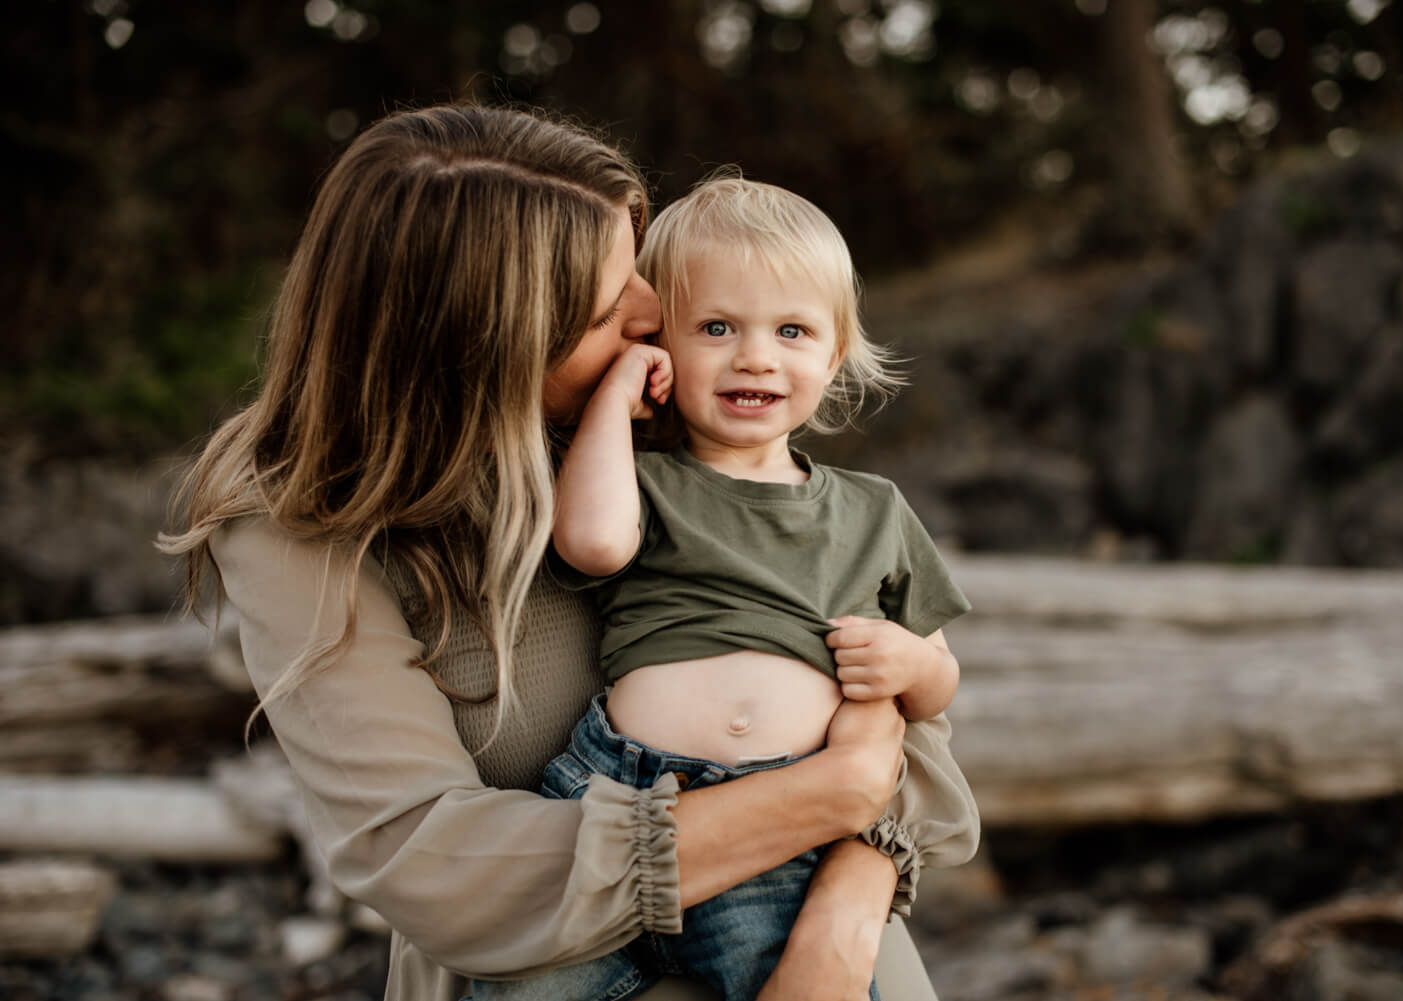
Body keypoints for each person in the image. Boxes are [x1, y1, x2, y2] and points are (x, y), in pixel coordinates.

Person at [161, 103, 979, 1001]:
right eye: (603, 305)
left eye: (637, 270)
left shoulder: (684, 402)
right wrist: (832, 791)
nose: (654, 311)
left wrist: (845, 909)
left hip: (811, 925)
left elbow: (899, 694)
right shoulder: (299, 508)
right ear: (484, 343)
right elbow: (427, 858)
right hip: (544, 962)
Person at [467, 175, 975, 1001]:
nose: (755, 355)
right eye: (716, 327)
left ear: (834, 353)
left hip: (780, 837)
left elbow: (940, 676)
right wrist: (616, 396)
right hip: (611, 802)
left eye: (792, 330)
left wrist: (910, 666)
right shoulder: (646, 479)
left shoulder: (872, 508)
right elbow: (592, 542)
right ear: (662, 344)